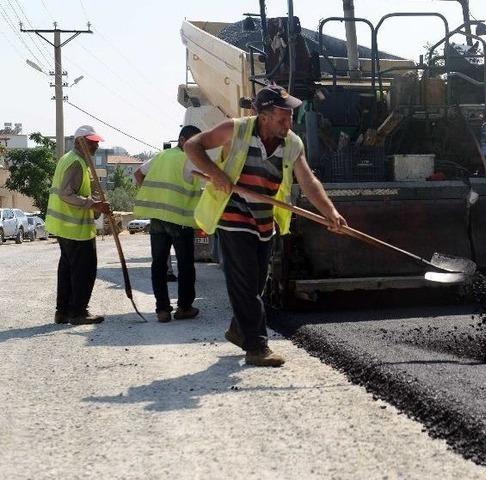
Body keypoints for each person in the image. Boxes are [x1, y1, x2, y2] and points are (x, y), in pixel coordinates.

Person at [185, 85, 347, 367]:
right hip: (232, 215)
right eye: (283, 118)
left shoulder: (293, 143)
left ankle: (239, 329)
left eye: (291, 117)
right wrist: (216, 173)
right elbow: (192, 146)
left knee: (257, 283)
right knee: (244, 282)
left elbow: (308, 181)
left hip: (264, 220)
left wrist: (330, 211)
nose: (289, 123)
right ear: (264, 117)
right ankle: (257, 346)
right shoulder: (234, 130)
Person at [133, 125, 203, 323]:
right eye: (194, 141)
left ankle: (162, 310)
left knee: (158, 265)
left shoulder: (161, 156)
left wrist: (151, 194)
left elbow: (138, 174)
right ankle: (184, 308)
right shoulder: (191, 160)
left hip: (157, 219)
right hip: (179, 221)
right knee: (186, 265)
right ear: (182, 140)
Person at [45, 125, 111, 325]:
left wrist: (96, 202)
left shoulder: (72, 160)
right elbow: (67, 194)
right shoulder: (75, 162)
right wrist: (93, 204)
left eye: (96, 143)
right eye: (91, 143)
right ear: (78, 142)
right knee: (84, 270)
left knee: (67, 270)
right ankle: (78, 312)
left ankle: (63, 312)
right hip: (75, 229)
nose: (96, 147)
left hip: (65, 227)